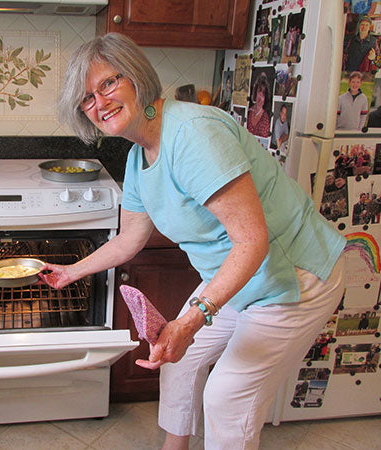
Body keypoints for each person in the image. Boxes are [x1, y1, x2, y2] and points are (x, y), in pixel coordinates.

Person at [42, 33, 346, 450]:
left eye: (108, 84)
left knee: (226, 397)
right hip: (237, 276)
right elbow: (130, 238)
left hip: (292, 277)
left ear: (134, 76)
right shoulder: (138, 153)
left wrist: (193, 318)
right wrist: (70, 271)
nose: (100, 102)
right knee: (175, 359)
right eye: (86, 99)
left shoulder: (191, 134)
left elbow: (252, 242)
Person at [247, 73, 272, 137]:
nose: (260, 96)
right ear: (255, 92)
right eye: (259, 91)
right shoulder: (248, 112)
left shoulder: (265, 118)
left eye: (263, 93)